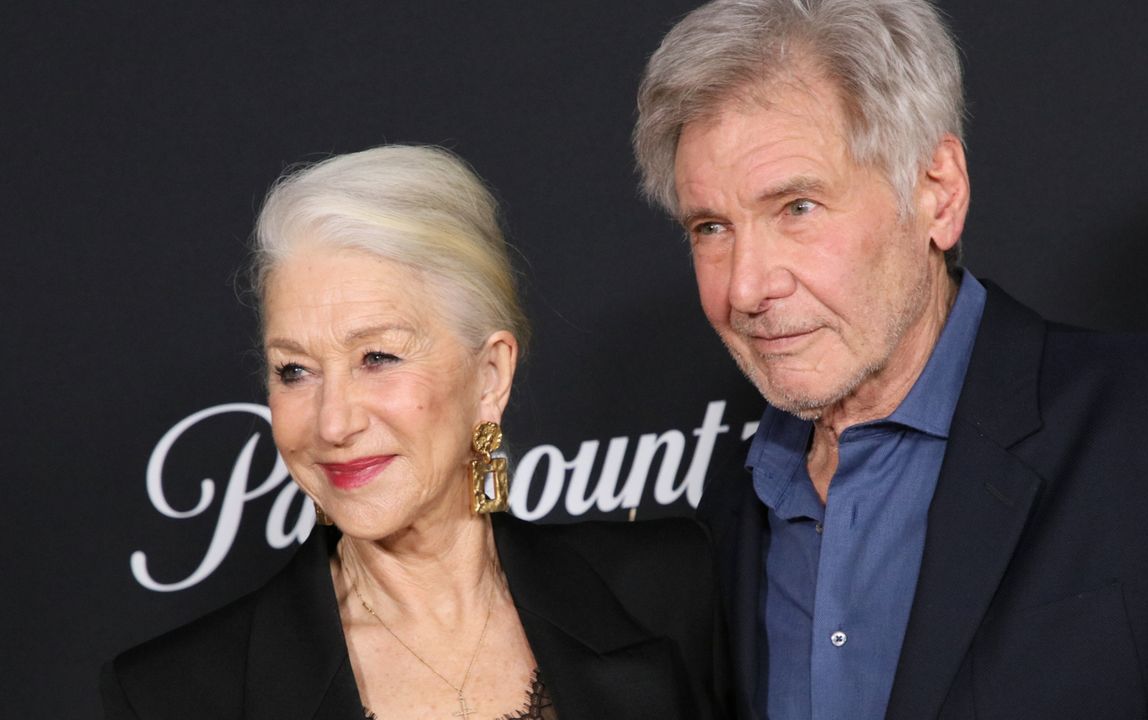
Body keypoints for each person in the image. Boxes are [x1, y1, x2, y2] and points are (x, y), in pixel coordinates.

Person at [633, 1, 1148, 718]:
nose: (747, 286)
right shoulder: (732, 504)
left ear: (938, 193)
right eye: (712, 227)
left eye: (799, 208)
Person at [101, 145, 727, 719]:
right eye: (294, 371)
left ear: (489, 376)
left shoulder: (668, 588)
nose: (334, 421)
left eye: (378, 357)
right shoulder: (172, 696)